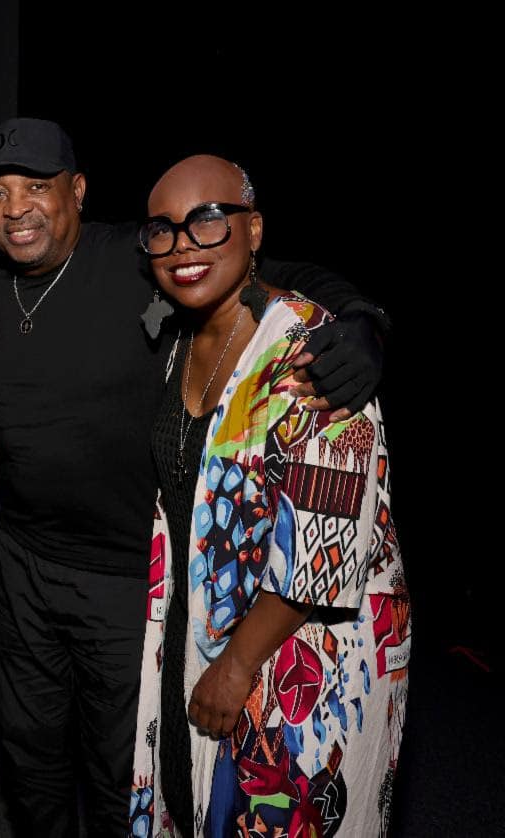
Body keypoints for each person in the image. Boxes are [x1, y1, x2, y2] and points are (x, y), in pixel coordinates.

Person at [0, 118, 389, 836]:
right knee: (32, 761)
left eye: (36, 187)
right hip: (25, 567)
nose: (16, 209)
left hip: (129, 578)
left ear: (76, 191)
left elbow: (256, 266)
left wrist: (362, 317)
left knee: (122, 772)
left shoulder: (137, 265)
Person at [128, 155, 409, 837]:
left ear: (253, 230)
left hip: (297, 656)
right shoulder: (177, 342)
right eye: (163, 230)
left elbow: (325, 547)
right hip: (198, 635)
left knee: (275, 817)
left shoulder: (315, 348)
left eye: (208, 221)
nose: (184, 245)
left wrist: (236, 666)